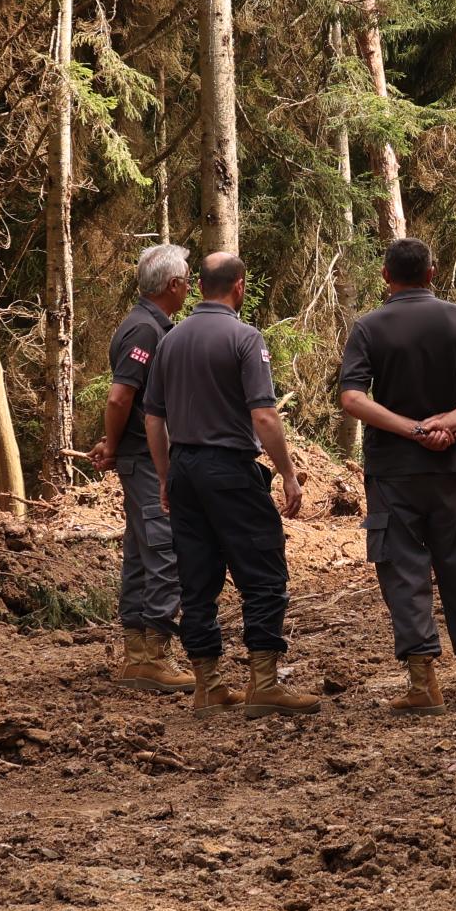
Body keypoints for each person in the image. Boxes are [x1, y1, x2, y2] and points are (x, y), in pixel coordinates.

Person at [333, 236, 456, 711]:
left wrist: (413, 430)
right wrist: (449, 423)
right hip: (450, 470)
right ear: (431, 273)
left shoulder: (369, 327)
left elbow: (352, 398)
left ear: (385, 276)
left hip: (393, 473)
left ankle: (424, 685)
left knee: (403, 572)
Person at [137, 252, 318, 714]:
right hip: (231, 471)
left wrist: (165, 476)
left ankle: (207, 685)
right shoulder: (244, 338)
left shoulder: (170, 340)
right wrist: (287, 473)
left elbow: (153, 418)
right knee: (263, 573)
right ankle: (264, 684)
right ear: (239, 286)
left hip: (184, 470)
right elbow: (264, 415)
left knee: (196, 579)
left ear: (199, 286)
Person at [82, 243, 196, 694]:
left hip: (139, 456)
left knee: (141, 552)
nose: (189, 287)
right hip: (147, 460)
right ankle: (153, 656)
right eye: (187, 280)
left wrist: (113, 443)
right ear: (174, 285)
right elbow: (119, 397)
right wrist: (112, 444)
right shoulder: (146, 331)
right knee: (166, 550)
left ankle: (137, 655)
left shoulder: (145, 325)